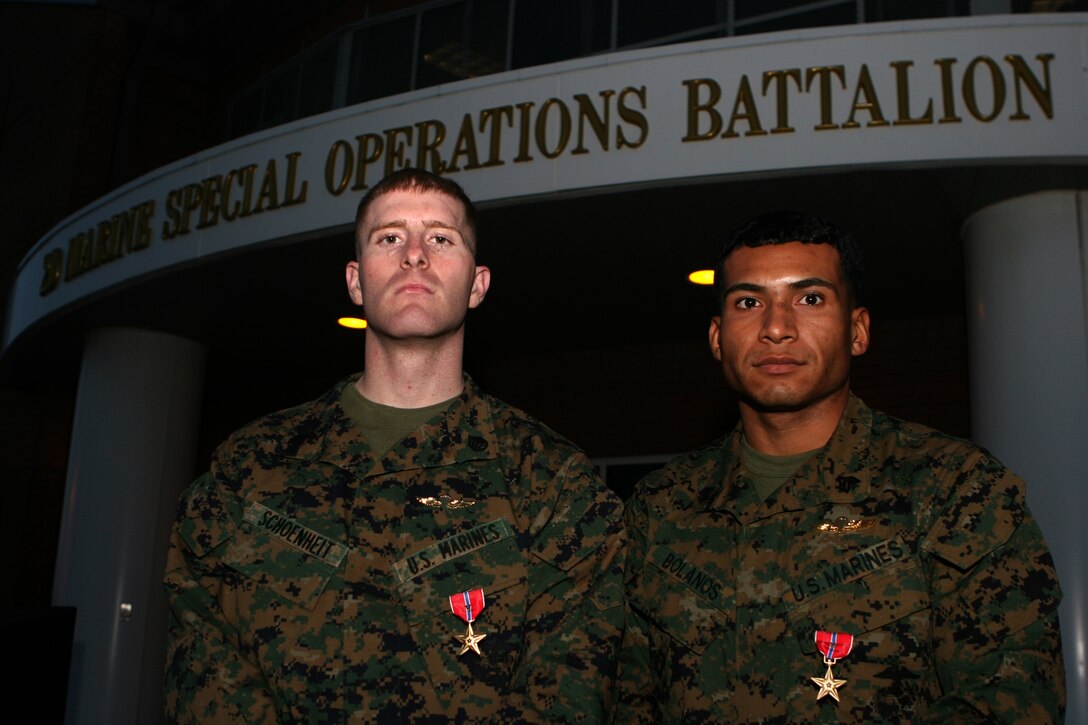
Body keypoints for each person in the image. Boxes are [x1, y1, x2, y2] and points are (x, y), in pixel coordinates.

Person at [163, 168, 625, 723]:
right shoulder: (250, 466)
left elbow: (569, 693)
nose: (414, 255)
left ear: (478, 285)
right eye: (389, 237)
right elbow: (204, 658)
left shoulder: (551, 481)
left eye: (440, 238)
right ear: (356, 282)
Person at [616, 211, 1065, 723]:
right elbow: (623, 699)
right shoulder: (660, 508)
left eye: (810, 299)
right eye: (749, 302)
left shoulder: (953, 488)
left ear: (858, 331)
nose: (776, 328)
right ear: (718, 338)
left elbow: (1012, 696)